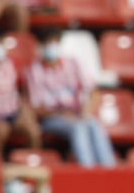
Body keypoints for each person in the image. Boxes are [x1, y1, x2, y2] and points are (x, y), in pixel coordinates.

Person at [24, 37, 115, 166]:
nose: (50, 48)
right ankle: (87, 169)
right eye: (47, 44)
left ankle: (109, 169)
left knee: (93, 124)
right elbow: (35, 107)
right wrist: (62, 114)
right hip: (52, 119)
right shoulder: (34, 70)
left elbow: (93, 92)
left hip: (77, 114)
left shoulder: (72, 63)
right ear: (40, 47)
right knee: (78, 127)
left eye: (53, 44)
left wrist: (86, 111)